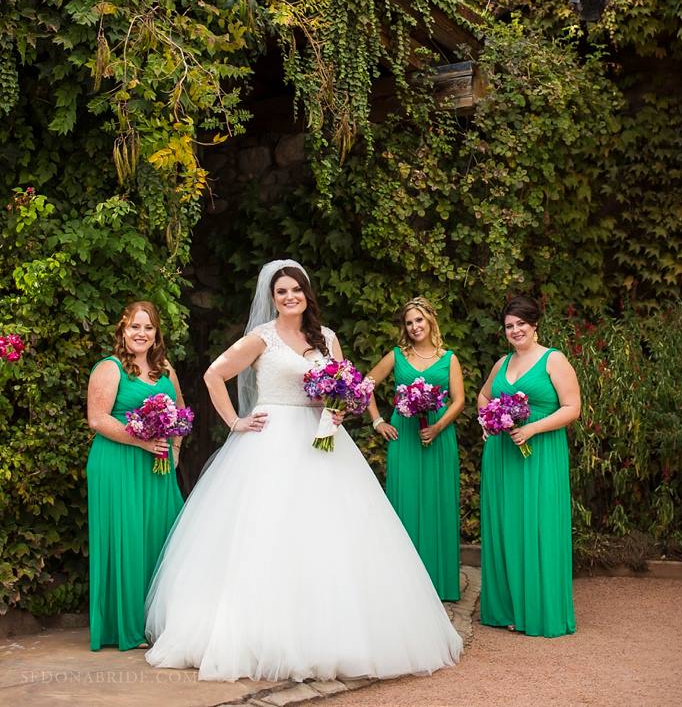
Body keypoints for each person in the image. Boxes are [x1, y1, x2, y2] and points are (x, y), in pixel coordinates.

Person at [145, 261, 462, 682]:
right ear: (272, 299)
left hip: (323, 440)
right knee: (268, 532)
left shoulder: (327, 338)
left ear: (306, 294)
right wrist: (236, 422)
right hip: (270, 441)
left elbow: (345, 388)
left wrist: (340, 406)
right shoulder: (261, 338)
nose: (290, 297)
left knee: (333, 534)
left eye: (296, 290)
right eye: (281, 292)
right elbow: (213, 374)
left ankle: (337, 633)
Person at [477, 295, 580, 637]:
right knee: (508, 526)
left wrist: (533, 427)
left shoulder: (554, 360)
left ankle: (537, 610)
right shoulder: (502, 363)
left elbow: (572, 408)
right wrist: (486, 421)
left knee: (539, 525)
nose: (516, 330)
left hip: (541, 453)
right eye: (509, 326)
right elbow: (483, 396)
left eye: (521, 323)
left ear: (534, 325)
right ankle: (507, 607)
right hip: (502, 455)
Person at [86, 301, 185, 650]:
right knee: (126, 538)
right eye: (134, 328)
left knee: (163, 536)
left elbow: (181, 414)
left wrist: (173, 451)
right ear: (122, 331)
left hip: (157, 467)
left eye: (148, 328)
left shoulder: (165, 369)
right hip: (118, 463)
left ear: (156, 334)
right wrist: (142, 442)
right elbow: (98, 419)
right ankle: (124, 626)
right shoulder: (110, 368)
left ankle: (158, 622)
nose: (141, 334)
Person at [367, 297, 464, 601]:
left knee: (439, 503)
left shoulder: (449, 358)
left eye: (419, 320)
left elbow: (459, 401)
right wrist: (378, 421)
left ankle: (439, 583)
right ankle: (404, 586)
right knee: (405, 501)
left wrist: (437, 427)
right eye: (409, 322)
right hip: (405, 437)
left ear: (431, 320)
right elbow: (365, 384)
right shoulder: (397, 356)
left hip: (439, 436)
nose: (414, 327)